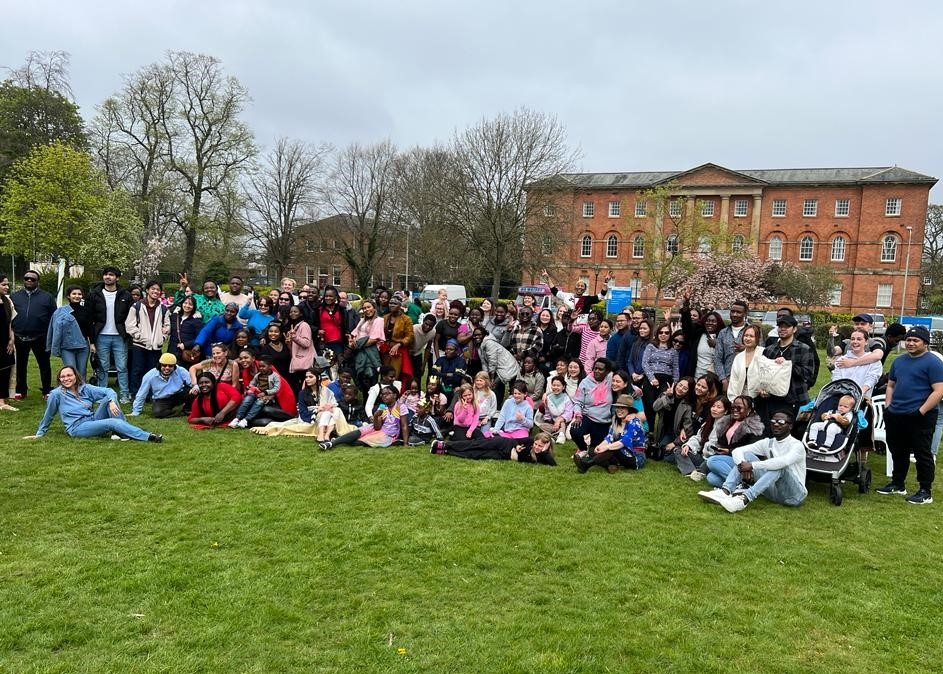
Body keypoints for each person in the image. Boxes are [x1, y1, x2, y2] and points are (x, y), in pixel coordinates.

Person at [876, 325, 943, 505]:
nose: (911, 343)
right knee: (898, 450)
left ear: (925, 343)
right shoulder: (899, 361)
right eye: (909, 340)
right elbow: (891, 385)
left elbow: (939, 391)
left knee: (922, 453)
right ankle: (898, 483)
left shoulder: (933, 363)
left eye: (916, 340)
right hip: (896, 413)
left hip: (920, 415)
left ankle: (925, 491)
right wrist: (888, 407)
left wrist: (921, 411)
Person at [698, 411, 808, 512]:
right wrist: (743, 466)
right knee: (746, 455)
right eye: (773, 421)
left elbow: (783, 462)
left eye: (781, 422)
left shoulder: (796, 445)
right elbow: (738, 451)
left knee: (779, 467)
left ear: (790, 426)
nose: (776, 424)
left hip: (794, 495)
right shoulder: (768, 443)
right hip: (773, 492)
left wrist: (752, 466)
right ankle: (725, 491)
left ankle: (744, 499)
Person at [24, 365, 163, 442]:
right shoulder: (56, 394)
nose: (66, 378)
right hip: (77, 427)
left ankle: (121, 432)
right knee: (112, 422)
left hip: (92, 419)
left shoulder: (84, 388)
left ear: (75, 376)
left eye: (69, 375)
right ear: (59, 379)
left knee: (108, 399)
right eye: (63, 376)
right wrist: (40, 433)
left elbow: (109, 391)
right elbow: (48, 415)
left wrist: (111, 401)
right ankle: (148, 436)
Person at [757, 314, 813, 431]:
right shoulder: (770, 350)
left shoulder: (803, 349)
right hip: (772, 398)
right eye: (780, 326)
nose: (782, 329)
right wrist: (762, 389)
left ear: (794, 329)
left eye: (786, 326)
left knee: (793, 431)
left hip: (794, 398)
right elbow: (763, 373)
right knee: (771, 430)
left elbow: (807, 374)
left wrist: (788, 365)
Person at [88, 266, 133, 401]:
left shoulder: (125, 295)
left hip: (120, 336)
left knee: (122, 367)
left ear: (117, 278)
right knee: (103, 367)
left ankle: (124, 395)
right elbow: (89, 317)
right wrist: (92, 341)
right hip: (101, 336)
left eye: (111, 275)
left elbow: (131, 316)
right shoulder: (94, 294)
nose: (108, 277)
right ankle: (103, 395)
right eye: (106, 275)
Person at [11, 269, 57, 400]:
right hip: (19, 336)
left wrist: (51, 335)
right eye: (27, 278)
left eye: (32, 279)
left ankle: (47, 390)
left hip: (40, 336)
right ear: (24, 280)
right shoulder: (15, 296)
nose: (29, 281)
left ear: (38, 281)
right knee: (20, 365)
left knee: (44, 364)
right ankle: (20, 390)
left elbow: (54, 317)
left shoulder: (47, 297)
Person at [573, 394, 646, 473]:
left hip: (635, 456)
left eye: (623, 408)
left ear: (629, 410)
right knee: (593, 450)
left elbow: (624, 442)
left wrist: (607, 447)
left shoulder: (634, 423)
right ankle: (610, 466)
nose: (619, 410)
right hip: (621, 452)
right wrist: (600, 447)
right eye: (618, 407)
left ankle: (586, 465)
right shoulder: (616, 420)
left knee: (612, 449)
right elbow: (609, 438)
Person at [320, 385, 409, 450]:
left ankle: (336, 441)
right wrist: (376, 416)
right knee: (358, 432)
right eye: (382, 394)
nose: (384, 396)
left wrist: (405, 444)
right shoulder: (382, 407)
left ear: (395, 395)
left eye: (387, 394)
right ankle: (332, 443)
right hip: (378, 429)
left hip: (389, 434)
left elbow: (404, 425)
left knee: (360, 441)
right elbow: (377, 427)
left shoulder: (400, 407)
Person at [125, 279, 171, 398]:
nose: (155, 291)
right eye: (153, 289)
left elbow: (167, 325)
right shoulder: (137, 306)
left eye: (158, 290)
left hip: (155, 346)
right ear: (147, 290)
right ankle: (135, 394)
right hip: (139, 345)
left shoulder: (163, 308)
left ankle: (151, 394)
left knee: (153, 371)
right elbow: (129, 325)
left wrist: (163, 336)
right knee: (137, 370)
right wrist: (138, 336)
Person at [47, 284, 94, 379]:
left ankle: (81, 392)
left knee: (82, 372)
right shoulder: (60, 312)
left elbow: (90, 328)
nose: (77, 296)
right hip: (67, 346)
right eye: (74, 294)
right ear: (68, 296)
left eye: (79, 294)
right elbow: (55, 330)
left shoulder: (86, 310)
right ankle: (70, 392)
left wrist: (92, 343)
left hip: (83, 346)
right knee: (71, 371)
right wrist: (54, 345)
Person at [431, 431, 557, 466]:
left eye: (540, 446)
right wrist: (517, 446)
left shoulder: (543, 455)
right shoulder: (530, 441)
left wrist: (545, 450)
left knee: (476, 455)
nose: (537, 447)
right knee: (476, 444)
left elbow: (553, 465)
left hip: (505, 455)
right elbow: (516, 440)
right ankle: (445, 444)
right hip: (503, 444)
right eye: (536, 444)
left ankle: (446, 451)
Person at [570, 358, 614, 454]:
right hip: (588, 417)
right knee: (575, 431)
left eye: (600, 369)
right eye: (595, 368)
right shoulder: (585, 382)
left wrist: (636, 390)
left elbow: (623, 383)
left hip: (604, 421)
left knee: (595, 451)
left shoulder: (611, 379)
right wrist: (577, 416)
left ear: (607, 371)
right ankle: (583, 449)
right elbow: (578, 402)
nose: (597, 371)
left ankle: (590, 451)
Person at [129, 352, 193, 418]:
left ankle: (187, 409)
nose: (167, 368)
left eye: (170, 366)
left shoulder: (181, 370)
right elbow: (142, 393)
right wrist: (136, 411)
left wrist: (195, 387)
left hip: (179, 394)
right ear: (160, 365)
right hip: (162, 399)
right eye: (164, 365)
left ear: (175, 366)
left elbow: (192, 383)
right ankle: (180, 413)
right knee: (157, 412)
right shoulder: (150, 375)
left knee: (193, 391)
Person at [229, 356, 282, 428]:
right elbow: (252, 383)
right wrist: (251, 387)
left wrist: (265, 392)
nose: (261, 368)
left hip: (267, 396)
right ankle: (237, 418)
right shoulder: (258, 375)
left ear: (270, 366)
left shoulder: (275, 376)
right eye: (260, 366)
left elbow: (276, 388)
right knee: (247, 400)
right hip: (257, 393)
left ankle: (246, 420)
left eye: (263, 366)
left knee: (259, 402)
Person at [474, 327, 520, 405]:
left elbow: (492, 361)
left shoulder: (489, 343)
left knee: (495, 386)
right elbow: (484, 362)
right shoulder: (479, 346)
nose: (476, 337)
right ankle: (497, 408)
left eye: (479, 335)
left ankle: (501, 409)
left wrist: (491, 378)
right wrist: (486, 377)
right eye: (475, 335)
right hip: (499, 368)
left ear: (484, 335)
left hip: (507, 366)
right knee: (498, 389)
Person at [714, 300, 749, 391]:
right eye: (732, 311)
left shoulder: (752, 331)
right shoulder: (723, 333)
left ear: (745, 314)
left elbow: (761, 353)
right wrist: (723, 379)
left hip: (748, 381)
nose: (735, 314)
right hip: (728, 380)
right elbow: (718, 358)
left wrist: (747, 348)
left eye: (738, 312)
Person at [726, 324, 764, 401]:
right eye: (746, 335)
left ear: (757, 338)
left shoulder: (764, 352)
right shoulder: (738, 357)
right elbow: (734, 380)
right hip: (742, 398)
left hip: (760, 398)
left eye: (751, 336)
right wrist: (734, 399)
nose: (748, 338)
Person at [284, 304, 315, 394]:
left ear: (301, 313)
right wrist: (289, 342)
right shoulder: (294, 326)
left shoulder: (304, 325)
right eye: (291, 312)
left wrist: (294, 337)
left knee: (304, 387)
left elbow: (306, 343)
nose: (292, 313)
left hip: (304, 363)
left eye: (295, 311)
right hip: (297, 362)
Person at [381, 295, 414, 380]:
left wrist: (399, 344)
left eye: (395, 303)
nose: (392, 305)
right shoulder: (385, 318)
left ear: (400, 305)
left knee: (395, 375)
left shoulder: (406, 319)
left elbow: (410, 336)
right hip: (385, 350)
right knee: (384, 374)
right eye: (391, 303)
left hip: (399, 350)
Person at [168, 296, 204, 365]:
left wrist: (186, 344)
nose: (187, 306)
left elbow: (199, 337)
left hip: (186, 352)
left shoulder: (196, 320)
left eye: (190, 304)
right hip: (172, 350)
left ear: (194, 307)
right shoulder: (174, 316)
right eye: (185, 303)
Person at [0, 275, 18, 411]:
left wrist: (11, 339)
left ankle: (2, 401)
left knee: (5, 369)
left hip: (5, 341)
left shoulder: (7, 301)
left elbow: (10, 323)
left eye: (7, 285)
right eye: (3, 284)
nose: (7, 287)